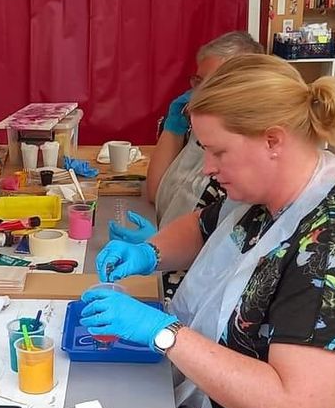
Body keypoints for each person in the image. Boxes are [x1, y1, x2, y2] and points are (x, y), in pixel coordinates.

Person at [85, 54, 335, 408]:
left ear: (272, 140)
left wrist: (164, 333)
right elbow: (204, 226)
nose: (208, 167)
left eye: (219, 152)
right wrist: (148, 253)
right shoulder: (277, 191)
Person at [110, 32, 265, 247]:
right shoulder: (198, 126)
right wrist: (173, 127)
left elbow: (222, 245)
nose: (197, 92)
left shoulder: (247, 157)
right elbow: (156, 193)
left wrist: (161, 247)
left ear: (240, 87)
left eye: (207, 83)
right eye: (197, 81)